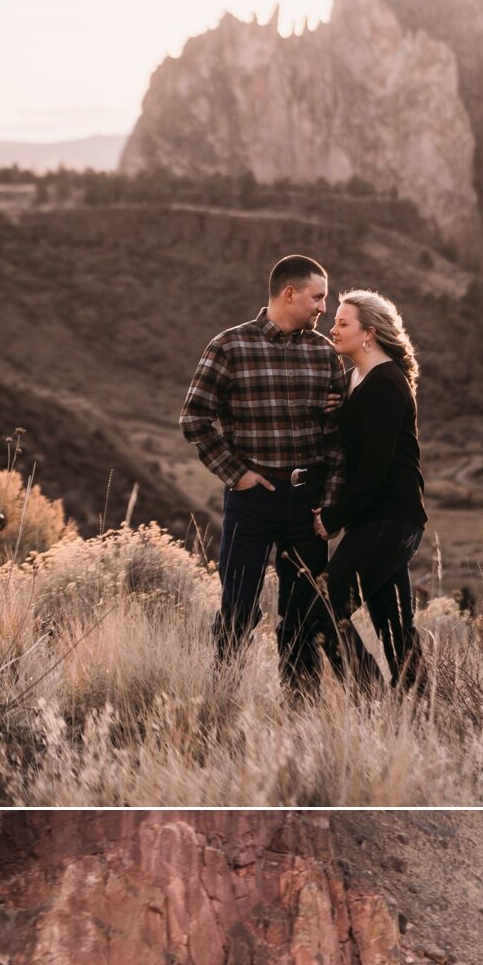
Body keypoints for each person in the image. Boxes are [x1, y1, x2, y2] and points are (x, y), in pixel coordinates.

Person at [180, 256, 347, 682]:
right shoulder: (230, 346)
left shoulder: (325, 355)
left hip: (307, 503)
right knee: (238, 606)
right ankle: (223, 695)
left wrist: (328, 506)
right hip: (251, 500)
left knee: (303, 613)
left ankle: (300, 706)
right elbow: (194, 417)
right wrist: (236, 474)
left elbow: (335, 439)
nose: (322, 308)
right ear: (289, 294)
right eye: (318, 297)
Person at [318, 289, 426, 685]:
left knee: (323, 610)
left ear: (370, 333)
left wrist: (333, 517)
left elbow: (375, 468)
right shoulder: (355, 379)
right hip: (378, 521)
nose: (333, 328)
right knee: (396, 631)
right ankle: (416, 713)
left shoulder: (387, 384)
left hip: (390, 520)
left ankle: (372, 702)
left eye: (343, 323)